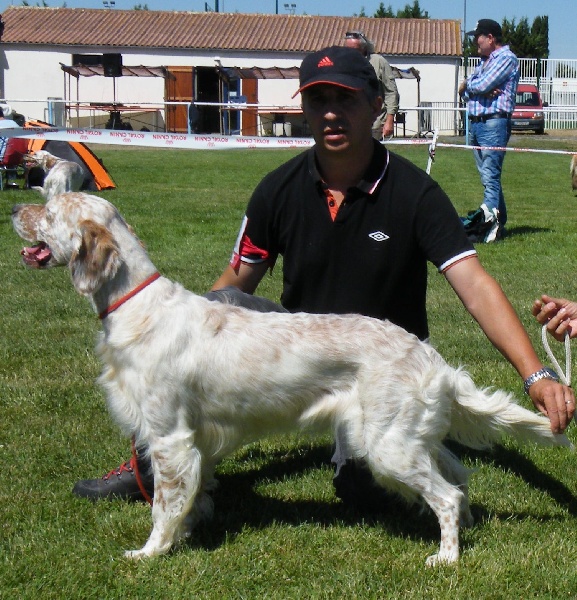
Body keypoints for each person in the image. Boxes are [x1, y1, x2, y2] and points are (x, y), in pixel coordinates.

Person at [73, 46, 574, 507]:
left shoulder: (416, 193)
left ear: (376, 104)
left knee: (367, 488)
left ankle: (418, 450)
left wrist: (536, 374)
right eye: (318, 100)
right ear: (305, 110)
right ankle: (150, 465)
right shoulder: (277, 189)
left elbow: (475, 287)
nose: (331, 113)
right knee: (221, 307)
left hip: (377, 364)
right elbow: (232, 287)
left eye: (345, 99)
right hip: (304, 353)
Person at [459, 19, 519, 243]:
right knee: (488, 175)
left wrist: (471, 86)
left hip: (494, 123)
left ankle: (490, 227)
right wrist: (472, 86)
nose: (476, 42)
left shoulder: (506, 58)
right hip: (477, 123)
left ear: (490, 38)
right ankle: (498, 221)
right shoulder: (484, 62)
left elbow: (479, 85)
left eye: (478, 37)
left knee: (490, 175)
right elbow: (467, 90)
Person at [344, 30, 399, 139]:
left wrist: (390, 120)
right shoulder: (342, 63)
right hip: (350, 122)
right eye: (347, 49)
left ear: (363, 48)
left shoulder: (379, 62)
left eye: (354, 50)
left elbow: (391, 92)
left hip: (375, 123)